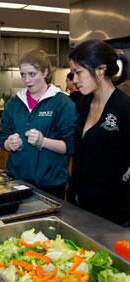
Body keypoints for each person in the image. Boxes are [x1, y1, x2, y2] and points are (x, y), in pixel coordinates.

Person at [0, 49, 78, 199]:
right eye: (23, 74)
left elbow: (71, 146)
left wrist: (43, 141)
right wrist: (9, 144)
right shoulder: (14, 103)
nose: (27, 80)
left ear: (45, 72)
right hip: (16, 181)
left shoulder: (62, 103)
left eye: (32, 74)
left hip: (50, 183)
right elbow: (2, 136)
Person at [66, 39, 130, 226]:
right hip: (78, 201)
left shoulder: (123, 107)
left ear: (101, 69)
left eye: (79, 73)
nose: (75, 80)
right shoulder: (83, 104)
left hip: (111, 210)